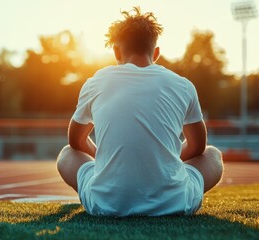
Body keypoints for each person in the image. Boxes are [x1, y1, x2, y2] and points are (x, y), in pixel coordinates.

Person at [56, 7, 223, 216]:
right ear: (156, 53)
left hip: (106, 204)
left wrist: (106, 158)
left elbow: (76, 142)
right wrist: (163, 157)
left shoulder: (96, 81)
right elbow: (199, 147)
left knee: (66, 155)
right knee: (213, 155)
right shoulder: (183, 85)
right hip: (175, 203)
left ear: (116, 52)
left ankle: (104, 189)